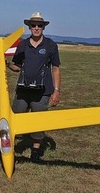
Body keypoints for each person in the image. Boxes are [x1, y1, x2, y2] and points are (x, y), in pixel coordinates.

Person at [7, 12, 61, 162]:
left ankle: (35, 151)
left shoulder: (50, 45)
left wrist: (56, 91)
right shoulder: (23, 44)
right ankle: (10, 149)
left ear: (43, 27)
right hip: (23, 90)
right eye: (33, 25)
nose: (36, 28)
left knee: (38, 120)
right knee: (16, 118)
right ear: (29, 27)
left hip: (42, 91)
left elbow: (55, 68)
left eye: (39, 26)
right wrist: (6, 64)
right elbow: (17, 66)